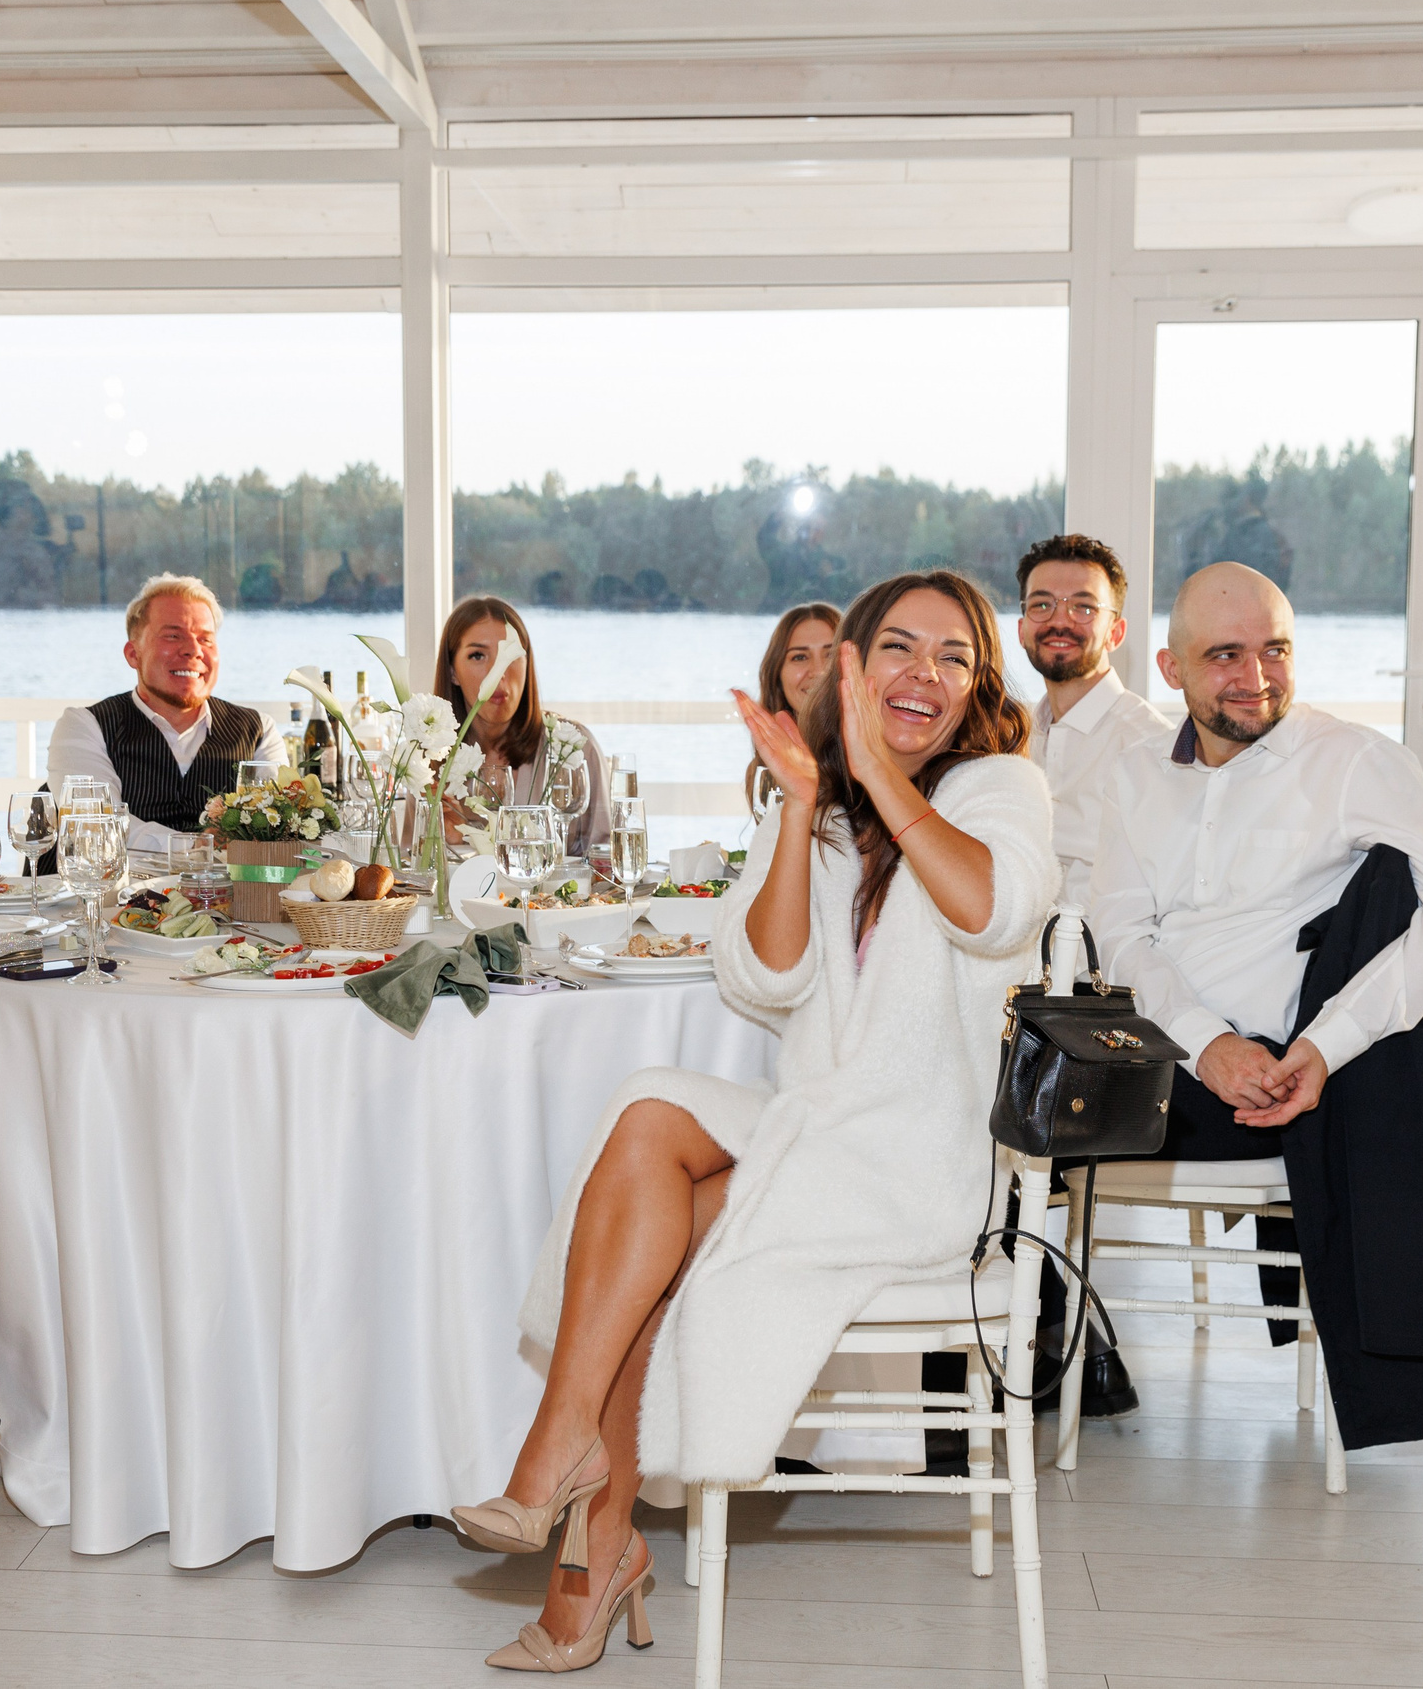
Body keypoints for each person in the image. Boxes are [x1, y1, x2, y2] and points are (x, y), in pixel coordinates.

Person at [452, 571, 1055, 1671]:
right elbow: (766, 978)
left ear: (975, 689)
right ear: (854, 669)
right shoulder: (822, 807)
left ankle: (575, 1521)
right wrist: (798, 803)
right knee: (645, 1112)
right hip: (816, 1128)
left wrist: (876, 772)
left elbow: (992, 907)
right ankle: (574, 1474)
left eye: (954, 657)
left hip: (922, 1162)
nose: (924, 672)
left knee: (659, 1240)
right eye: (899, 650)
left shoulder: (1000, 789)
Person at [1087, 561, 1423, 1446]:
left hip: (1297, 1080)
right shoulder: (1133, 774)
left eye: (1275, 650)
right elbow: (1121, 937)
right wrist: (1206, 1044)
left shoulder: (1354, 761)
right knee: (1005, 1111)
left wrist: (1326, 1043)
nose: (1256, 677)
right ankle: (1042, 1352)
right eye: (1225, 655)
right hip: (1174, 1059)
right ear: (1171, 669)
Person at [46, 572, 289, 854]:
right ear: (133, 654)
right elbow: (94, 825)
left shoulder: (258, 730)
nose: (193, 650)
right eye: (173, 636)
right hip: (108, 896)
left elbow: (277, 824)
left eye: (206, 639)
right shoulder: (84, 726)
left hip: (226, 898)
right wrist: (195, 845)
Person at [1015, 535, 1174, 910]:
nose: (1060, 620)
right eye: (1042, 604)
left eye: (1083, 608)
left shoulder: (1151, 748)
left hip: (1099, 966)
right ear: (1022, 629)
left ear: (1115, 633)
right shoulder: (1012, 739)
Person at [434, 595, 610, 856]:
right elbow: (412, 878)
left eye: (511, 655)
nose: (498, 671)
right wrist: (447, 840)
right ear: (452, 672)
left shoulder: (574, 749)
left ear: (528, 664)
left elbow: (607, 864)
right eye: (478, 655)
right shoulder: (430, 760)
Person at [743, 600, 843, 816]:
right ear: (777, 677)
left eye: (831, 654)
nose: (818, 671)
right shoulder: (764, 772)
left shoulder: (880, 761)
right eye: (800, 657)